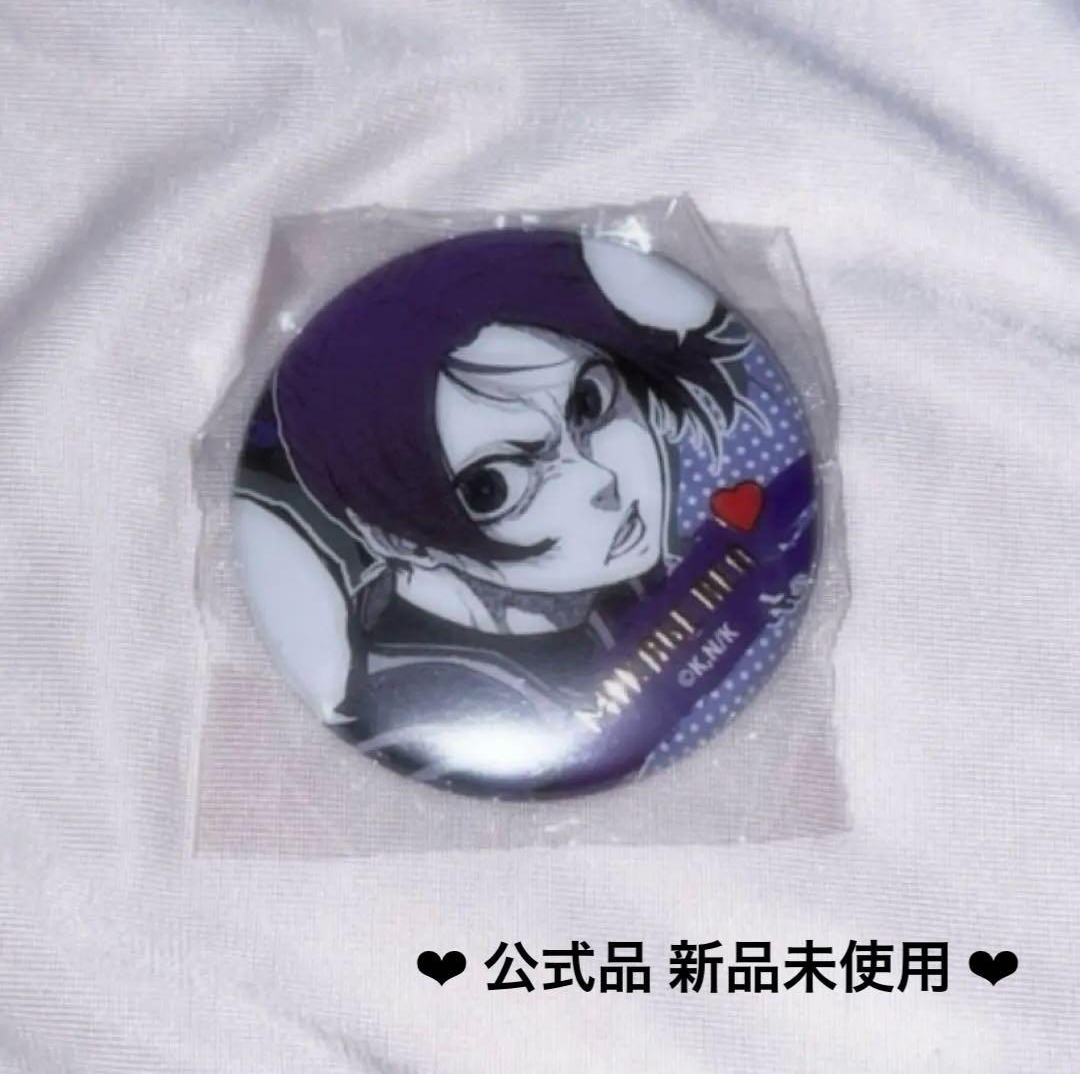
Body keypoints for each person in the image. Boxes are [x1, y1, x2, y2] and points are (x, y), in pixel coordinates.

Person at [250, 228, 774, 793]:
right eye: (493, 486)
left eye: (591, 403)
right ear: (397, 538)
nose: (601, 480)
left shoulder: (615, 580)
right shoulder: (419, 706)